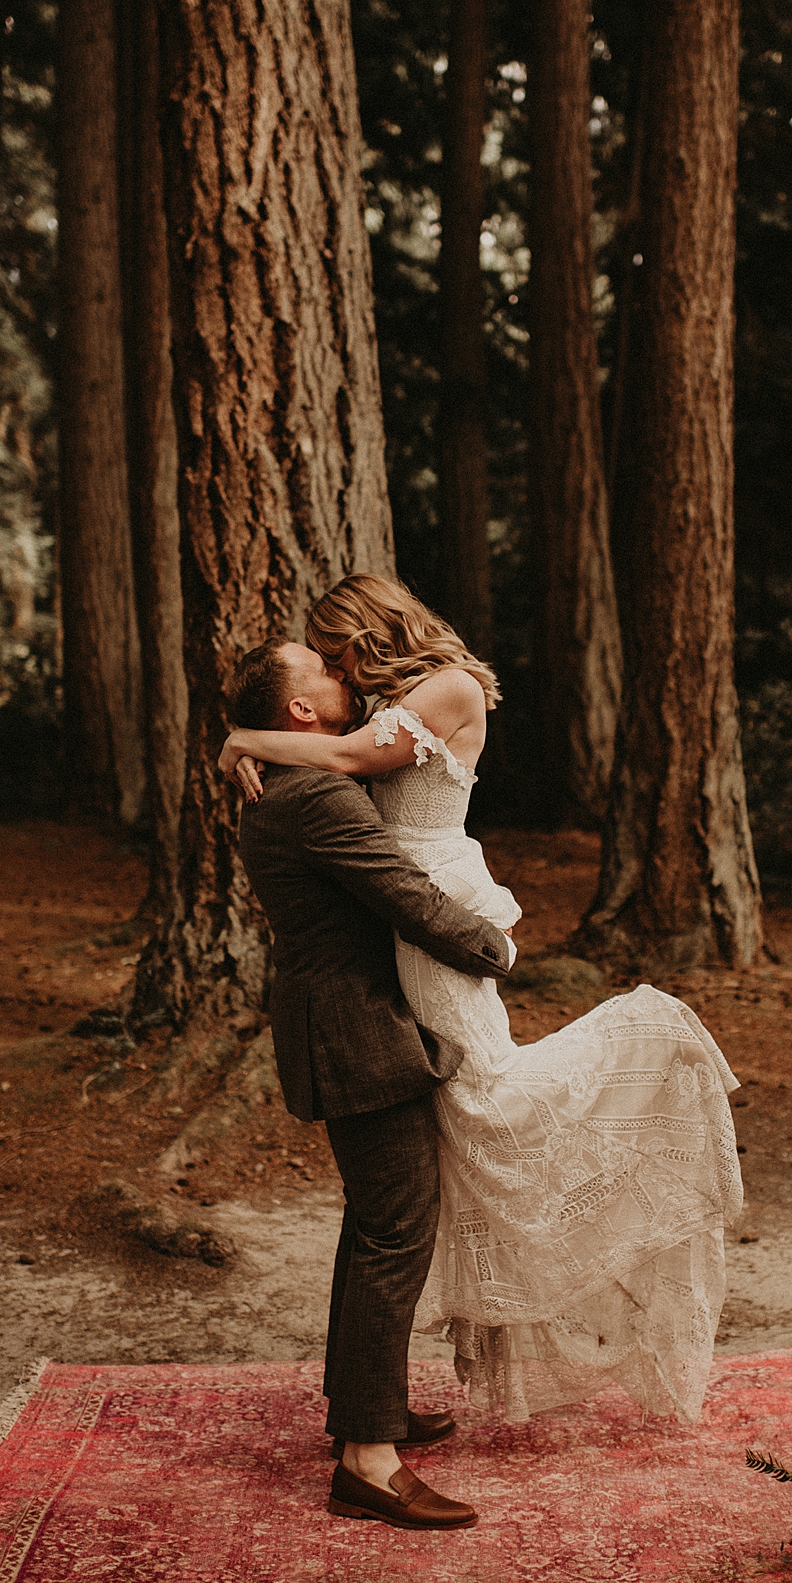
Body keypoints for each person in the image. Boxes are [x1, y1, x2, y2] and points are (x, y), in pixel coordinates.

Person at [222, 575, 746, 1426]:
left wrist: (242, 738)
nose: (335, 665)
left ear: (372, 624)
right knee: (439, 1144)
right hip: (401, 925)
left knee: (483, 1098)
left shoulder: (450, 685)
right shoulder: (374, 708)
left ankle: (647, 1057)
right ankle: (367, 1411)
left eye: (335, 645)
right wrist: (256, 738)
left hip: (433, 908)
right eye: (320, 660)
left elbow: (346, 758)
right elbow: (327, 746)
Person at [230, 637, 518, 1531]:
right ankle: (367, 1459)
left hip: (340, 1025)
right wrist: (492, 947)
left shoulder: (295, 779)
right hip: (358, 1034)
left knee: (375, 1226)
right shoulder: (317, 796)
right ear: (302, 713)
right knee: (396, 1229)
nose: (340, 673)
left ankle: (363, 1413)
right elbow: (406, 896)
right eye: (321, 669)